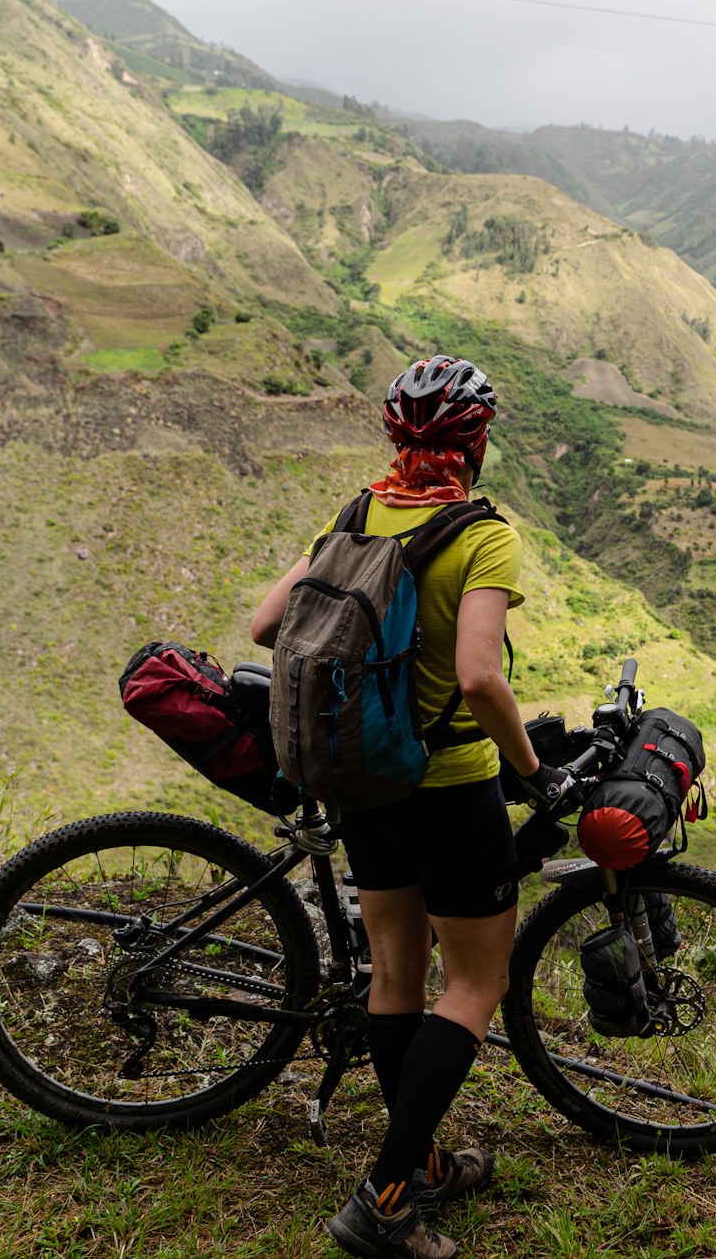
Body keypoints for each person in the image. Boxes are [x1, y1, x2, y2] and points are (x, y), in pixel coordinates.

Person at [251, 355, 570, 1259]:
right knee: (474, 985)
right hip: (448, 784)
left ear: (396, 437)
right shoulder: (480, 533)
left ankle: (423, 1160)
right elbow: (478, 675)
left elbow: (266, 625)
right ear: (475, 442)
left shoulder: (358, 512)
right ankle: (386, 1199)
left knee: (396, 978)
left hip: (363, 779)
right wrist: (532, 767)